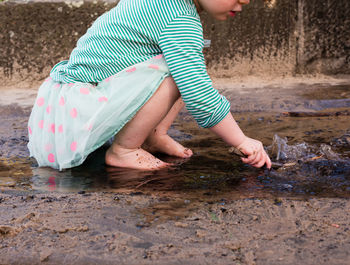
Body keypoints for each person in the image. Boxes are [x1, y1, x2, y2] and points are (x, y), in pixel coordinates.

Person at [27, 0, 272, 171]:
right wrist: (241, 141)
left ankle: (153, 136)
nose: (246, 1)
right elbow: (199, 95)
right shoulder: (179, 19)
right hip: (76, 113)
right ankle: (124, 149)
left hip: (70, 102)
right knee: (183, 73)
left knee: (182, 64)